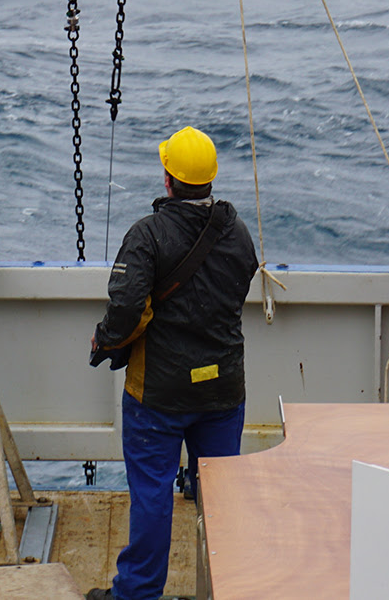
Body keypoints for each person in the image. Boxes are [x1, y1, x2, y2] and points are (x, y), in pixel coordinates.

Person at [86, 126, 257, 600]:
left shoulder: (148, 235)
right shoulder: (238, 232)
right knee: (220, 498)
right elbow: (238, 287)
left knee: (152, 495)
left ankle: (138, 593)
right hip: (222, 390)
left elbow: (127, 308)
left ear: (168, 179)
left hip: (158, 396)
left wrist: (105, 341)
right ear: (211, 179)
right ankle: (227, 589)